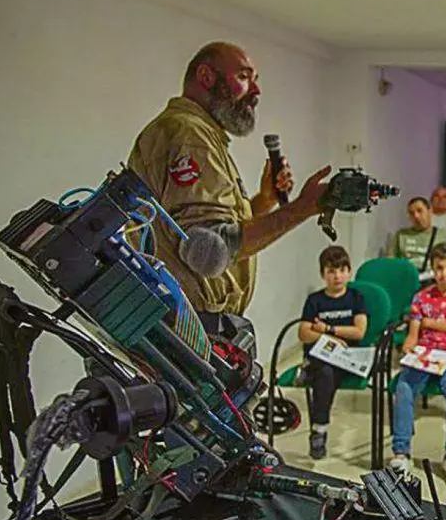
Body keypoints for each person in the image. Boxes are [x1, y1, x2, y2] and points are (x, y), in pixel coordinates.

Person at [127, 41, 331, 330]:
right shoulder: (189, 134)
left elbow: (202, 229)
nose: (256, 91)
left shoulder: (200, 133)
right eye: (244, 77)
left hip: (193, 319)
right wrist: (303, 207)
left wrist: (264, 202)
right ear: (206, 77)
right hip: (188, 323)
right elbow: (208, 251)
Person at [392, 243, 446, 486]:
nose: (443, 273)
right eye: (439, 268)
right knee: (403, 388)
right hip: (426, 351)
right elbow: (413, 333)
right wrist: (409, 345)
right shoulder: (422, 296)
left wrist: (431, 323)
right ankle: (401, 452)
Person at [297, 246, 368, 459]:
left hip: (347, 357)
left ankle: (318, 427)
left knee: (327, 375)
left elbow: (359, 331)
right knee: (325, 373)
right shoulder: (315, 300)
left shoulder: (356, 298)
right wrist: (331, 339)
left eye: (342, 270)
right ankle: (319, 430)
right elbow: (304, 333)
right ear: (323, 274)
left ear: (349, 272)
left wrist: (327, 329)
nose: (337, 276)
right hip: (321, 356)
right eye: (331, 271)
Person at [389, 197, 446, 282]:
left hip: (432, 280)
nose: (416, 216)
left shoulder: (443, 235)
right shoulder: (401, 235)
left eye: (420, 211)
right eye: (411, 213)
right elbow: (390, 261)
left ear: (430, 211)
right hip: (405, 279)